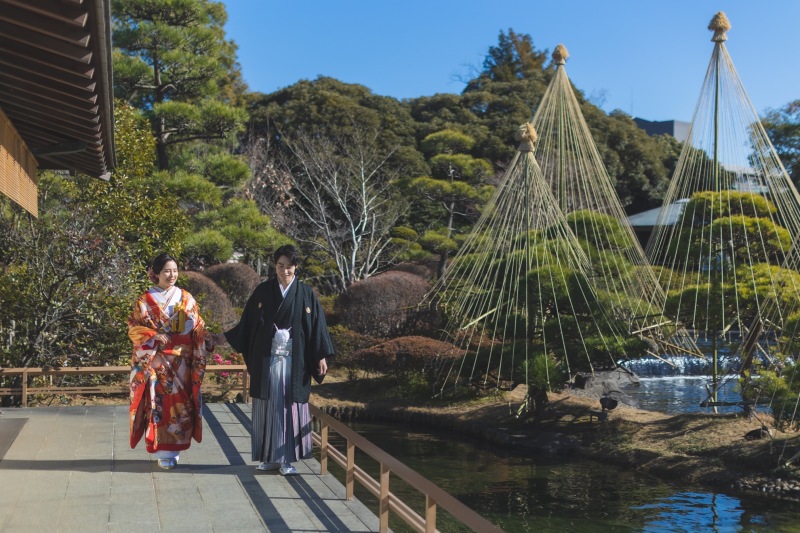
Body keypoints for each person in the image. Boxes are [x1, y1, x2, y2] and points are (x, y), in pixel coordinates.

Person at [213, 244, 333, 476]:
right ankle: (269, 457)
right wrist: (224, 338)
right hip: (267, 361)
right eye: (280, 266)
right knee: (267, 407)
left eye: (289, 267)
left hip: (294, 362)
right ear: (274, 266)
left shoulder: (306, 293)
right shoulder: (263, 291)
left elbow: (317, 327)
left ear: (296, 267)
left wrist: (321, 355)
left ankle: (288, 459)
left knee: (290, 408)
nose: (285, 271)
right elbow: (247, 324)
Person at [127, 253, 211, 470]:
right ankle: (163, 452)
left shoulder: (186, 298)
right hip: (156, 361)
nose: (171, 275)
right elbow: (133, 328)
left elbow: (198, 327)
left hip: (182, 362)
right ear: (156, 273)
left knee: (180, 406)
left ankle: (175, 448)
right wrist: (152, 336)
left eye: (174, 270)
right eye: (166, 270)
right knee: (158, 404)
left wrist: (206, 338)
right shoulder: (145, 301)